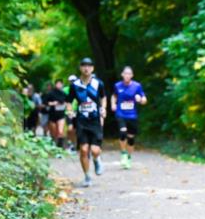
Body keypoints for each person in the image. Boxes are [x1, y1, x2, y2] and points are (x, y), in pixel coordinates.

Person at [67, 58, 107, 187]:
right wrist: (70, 111)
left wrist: (103, 109)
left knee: (95, 150)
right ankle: (87, 176)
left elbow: (103, 97)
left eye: (89, 66)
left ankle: (96, 159)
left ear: (93, 68)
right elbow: (68, 101)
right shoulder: (75, 85)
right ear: (80, 68)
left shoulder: (98, 83)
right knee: (84, 150)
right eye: (84, 65)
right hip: (81, 120)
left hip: (95, 119)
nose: (86, 68)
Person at [111, 66, 147, 169]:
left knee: (131, 138)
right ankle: (123, 154)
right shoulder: (117, 86)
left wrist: (140, 100)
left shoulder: (137, 86)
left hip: (132, 115)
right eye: (125, 74)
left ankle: (129, 157)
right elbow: (114, 96)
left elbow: (144, 99)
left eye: (129, 74)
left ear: (132, 75)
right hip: (120, 113)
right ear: (122, 75)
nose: (127, 76)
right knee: (123, 132)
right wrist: (113, 104)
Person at [43, 80, 69, 149]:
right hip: (52, 115)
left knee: (60, 131)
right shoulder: (50, 93)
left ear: (62, 85)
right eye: (58, 84)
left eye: (60, 84)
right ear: (55, 85)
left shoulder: (63, 93)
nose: (59, 85)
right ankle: (53, 144)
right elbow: (45, 102)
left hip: (61, 115)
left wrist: (65, 105)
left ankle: (60, 147)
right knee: (54, 132)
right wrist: (52, 103)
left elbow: (68, 102)